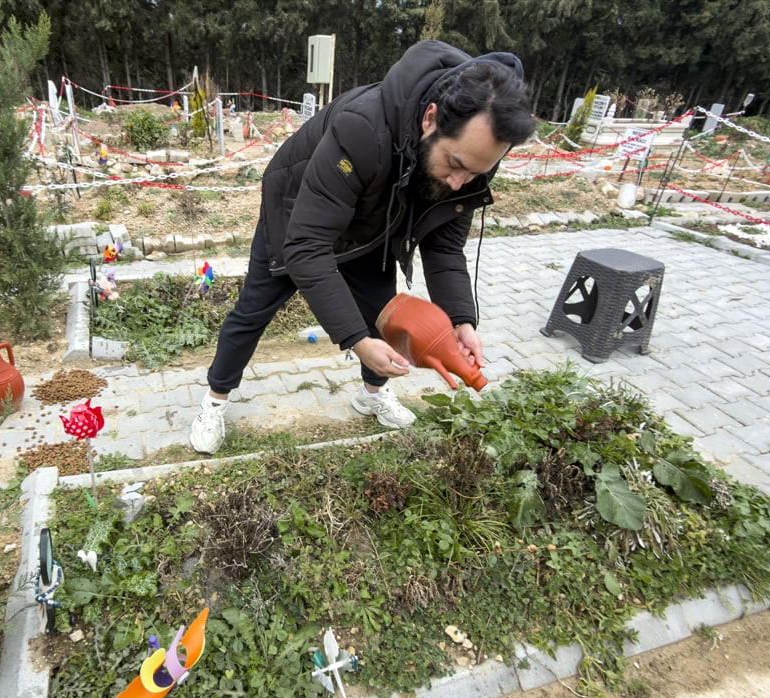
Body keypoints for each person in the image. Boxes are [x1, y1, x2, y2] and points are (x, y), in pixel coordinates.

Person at [189, 40, 535, 454]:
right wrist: (354, 339)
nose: (460, 182)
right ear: (431, 119)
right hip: (297, 214)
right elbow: (306, 245)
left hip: (373, 223)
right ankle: (215, 400)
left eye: (476, 173)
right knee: (253, 311)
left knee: (381, 312)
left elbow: (444, 249)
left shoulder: (473, 155)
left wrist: (462, 320)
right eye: (456, 165)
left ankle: (371, 395)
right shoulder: (363, 126)